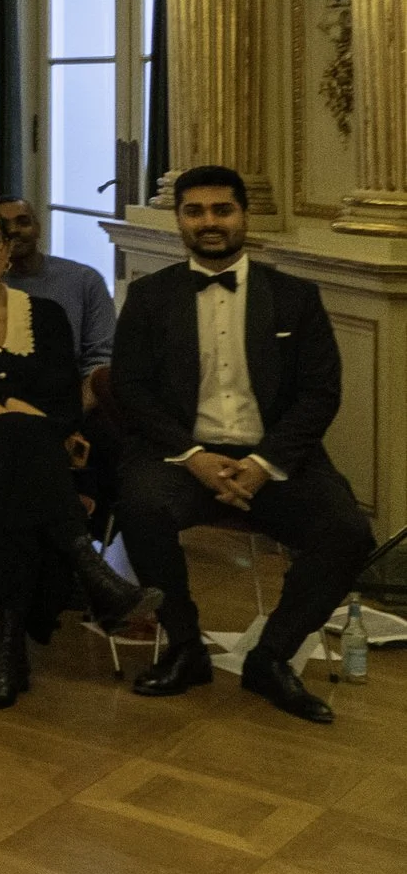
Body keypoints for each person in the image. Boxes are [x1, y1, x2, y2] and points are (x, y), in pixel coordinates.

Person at [110, 166, 375, 724]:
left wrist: (263, 462)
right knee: (140, 505)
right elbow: (132, 391)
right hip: (184, 456)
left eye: (221, 210)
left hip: (275, 456)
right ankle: (184, 646)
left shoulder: (294, 297)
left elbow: (320, 393)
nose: (209, 223)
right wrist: (194, 457)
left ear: (242, 216)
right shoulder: (150, 297)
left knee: (346, 531)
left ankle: (272, 656)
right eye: (195, 211)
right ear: (179, 219)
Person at [0, 205, 160, 711]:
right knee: (16, 442)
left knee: (17, 466)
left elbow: (65, 400)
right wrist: (10, 412)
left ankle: (7, 648)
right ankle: (84, 562)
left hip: (31, 456)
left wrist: (21, 413)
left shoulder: (44, 316)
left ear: (9, 251)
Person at [0, 196, 117, 380]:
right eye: (4, 226)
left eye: (23, 222)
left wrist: (77, 405)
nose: (13, 230)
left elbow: (102, 359)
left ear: (38, 228)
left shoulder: (85, 280)